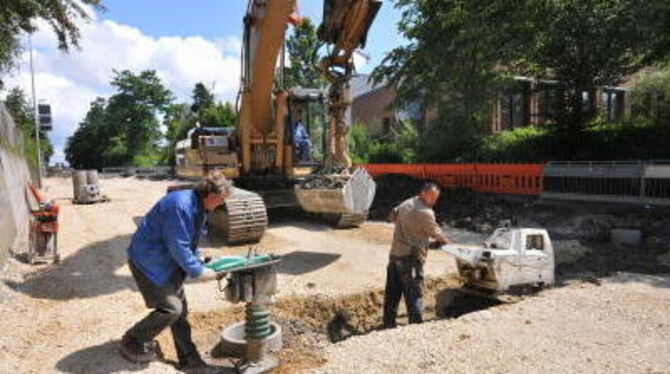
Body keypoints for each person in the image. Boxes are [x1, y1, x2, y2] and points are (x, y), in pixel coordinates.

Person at [120, 172, 232, 369]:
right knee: (172, 308)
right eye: (221, 200)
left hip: (166, 260)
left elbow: (189, 239)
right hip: (149, 262)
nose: (220, 205)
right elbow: (178, 246)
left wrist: (199, 257)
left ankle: (189, 359)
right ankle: (133, 339)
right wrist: (201, 272)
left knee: (181, 312)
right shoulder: (180, 206)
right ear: (212, 195)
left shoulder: (198, 206)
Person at [383, 182, 451, 328]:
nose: (433, 201)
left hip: (395, 255)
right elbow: (436, 233)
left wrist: (408, 230)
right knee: (414, 294)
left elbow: (392, 216)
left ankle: (388, 323)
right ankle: (416, 328)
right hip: (410, 259)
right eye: (432, 197)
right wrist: (447, 242)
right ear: (423, 193)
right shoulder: (425, 212)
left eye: (436, 198)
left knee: (392, 293)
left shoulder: (406, 203)